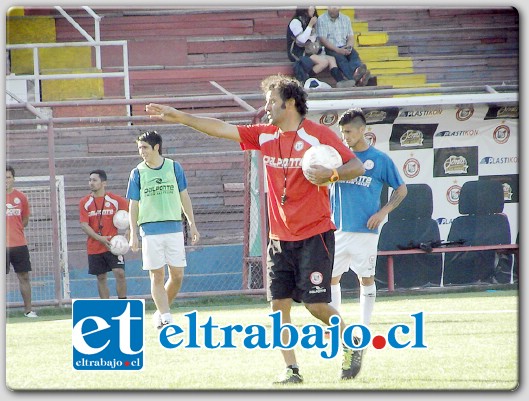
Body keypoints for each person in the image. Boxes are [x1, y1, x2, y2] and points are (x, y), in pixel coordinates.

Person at [145, 74, 367, 384]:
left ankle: (352, 342)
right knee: (278, 306)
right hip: (279, 238)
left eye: (271, 102)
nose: (266, 107)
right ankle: (291, 370)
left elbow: (356, 166)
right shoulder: (265, 135)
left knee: (316, 306)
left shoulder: (318, 136)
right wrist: (181, 117)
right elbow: (221, 129)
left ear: (289, 103)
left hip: (315, 235)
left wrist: (331, 176)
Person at [328, 108, 407, 376]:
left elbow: (401, 189)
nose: (345, 136)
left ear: (362, 130)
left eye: (349, 131)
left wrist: (382, 212)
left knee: (366, 278)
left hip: (365, 231)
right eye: (342, 132)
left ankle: (362, 329)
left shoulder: (378, 160)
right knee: (331, 279)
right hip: (337, 229)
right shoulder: (338, 157)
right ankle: (336, 328)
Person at [126, 130, 200, 330]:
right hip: (150, 231)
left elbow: (184, 196)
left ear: (156, 147)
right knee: (156, 275)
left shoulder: (174, 168)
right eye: (139, 148)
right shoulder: (137, 173)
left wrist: (192, 223)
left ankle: (160, 311)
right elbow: (134, 204)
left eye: (145, 147)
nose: (142, 152)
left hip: (174, 227)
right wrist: (133, 233)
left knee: (177, 275)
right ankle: (166, 316)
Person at [79, 169, 129, 299]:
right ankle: (106, 308)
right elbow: (84, 225)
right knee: (101, 277)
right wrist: (100, 238)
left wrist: (129, 231)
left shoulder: (115, 200)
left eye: (94, 180)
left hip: (114, 245)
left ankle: (122, 303)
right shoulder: (85, 202)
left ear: (104, 183)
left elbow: (132, 212)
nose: (91, 183)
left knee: (120, 273)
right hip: (95, 245)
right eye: (90, 180)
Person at [287, 6, 351, 88]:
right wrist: (310, 25)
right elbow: (301, 40)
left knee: (331, 59)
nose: (313, 9)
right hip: (298, 52)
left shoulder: (309, 21)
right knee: (324, 62)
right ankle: (305, 78)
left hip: (310, 51)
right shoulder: (295, 22)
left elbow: (314, 39)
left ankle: (340, 81)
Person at [5, 165, 38, 318]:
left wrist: (14, 228)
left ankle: (28, 310)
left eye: (8, 177)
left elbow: (25, 220)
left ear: (13, 179)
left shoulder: (21, 197)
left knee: (24, 276)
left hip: (19, 244)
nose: (5, 180)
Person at [316, 6, 372, 87]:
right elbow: (323, 40)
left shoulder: (346, 19)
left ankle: (357, 73)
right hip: (331, 48)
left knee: (354, 55)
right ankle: (356, 79)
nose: (332, 9)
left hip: (344, 46)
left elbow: (350, 37)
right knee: (341, 59)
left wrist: (348, 47)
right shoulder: (321, 19)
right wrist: (338, 50)